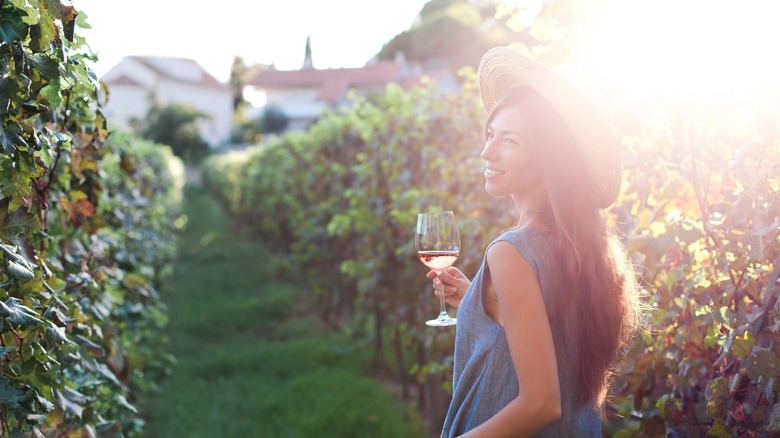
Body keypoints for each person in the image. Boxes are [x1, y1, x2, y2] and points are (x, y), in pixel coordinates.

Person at [426, 47, 643, 437]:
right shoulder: (588, 248)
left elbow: (541, 402)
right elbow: (553, 340)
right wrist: (478, 301)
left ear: (549, 158)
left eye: (509, 141)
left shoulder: (510, 251)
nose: (486, 151)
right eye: (491, 134)